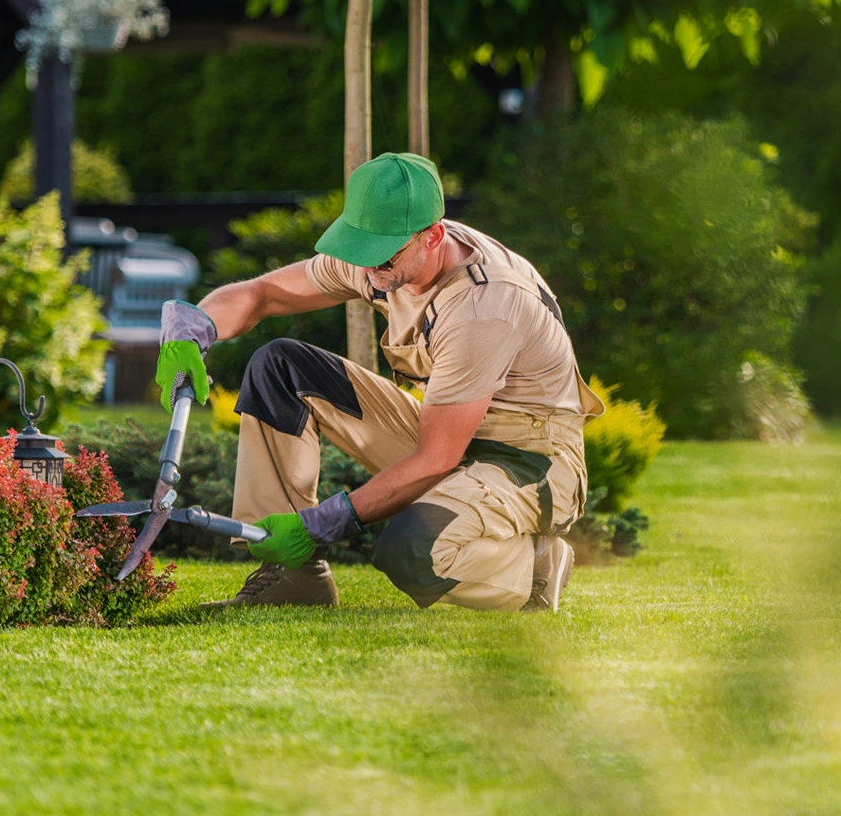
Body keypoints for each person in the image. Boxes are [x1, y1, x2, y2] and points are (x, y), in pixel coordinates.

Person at [155, 152, 603, 612]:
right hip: (449, 428)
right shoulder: (381, 256)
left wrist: (317, 524)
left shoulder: (483, 305)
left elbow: (436, 458)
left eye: (382, 254)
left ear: (433, 237)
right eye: (360, 247)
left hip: (529, 459)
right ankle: (293, 578)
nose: (369, 268)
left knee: (411, 552)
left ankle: (535, 565)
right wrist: (196, 325)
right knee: (280, 367)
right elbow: (264, 293)